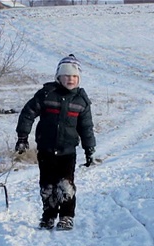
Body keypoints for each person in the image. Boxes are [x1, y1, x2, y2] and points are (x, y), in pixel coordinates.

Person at [15, 54, 96, 230]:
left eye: (75, 76)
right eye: (67, 75)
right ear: (58, 76)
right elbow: (28, 113)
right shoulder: (46, 94)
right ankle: (48, 216)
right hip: (46, 149)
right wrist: (22, 137)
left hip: (67, 152)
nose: (71, 79)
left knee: (65, 186)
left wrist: (89, 149)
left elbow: (86, 127)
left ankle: (66, 217)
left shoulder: (81, 100)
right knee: (47, 186)